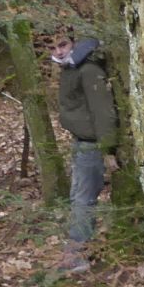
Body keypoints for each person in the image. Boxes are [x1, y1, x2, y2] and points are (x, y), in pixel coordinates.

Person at [48, 31, 118, 273]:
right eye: (53, 48)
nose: (58, 51)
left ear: (74, 43)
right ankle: (77, 252)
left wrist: (108, 149)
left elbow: (103, 112)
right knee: (79, 196)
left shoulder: (88, 70)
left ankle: (76, 257)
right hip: (81, 142)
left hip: (92, 144)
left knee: (82, 199)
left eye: (63, 44)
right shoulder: (70, 69)